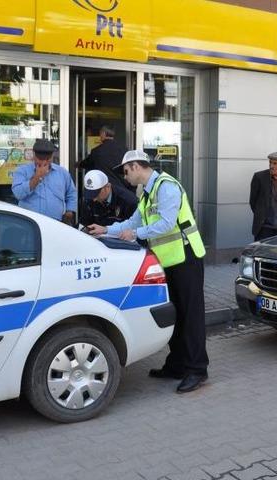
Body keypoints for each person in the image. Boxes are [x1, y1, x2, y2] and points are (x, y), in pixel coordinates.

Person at [87, 150, 208, 394]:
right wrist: (105, 230)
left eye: (125, 171)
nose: (125, 177)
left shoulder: (166, 186)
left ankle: (197, 369)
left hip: (187, 259)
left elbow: (165, 223)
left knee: (191, 316)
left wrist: (136, 235)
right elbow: (133, 222)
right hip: (169, 261)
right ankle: (176, 365)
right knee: (176, 315)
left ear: (134, 166)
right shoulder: (146, 192)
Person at [12, 139, 77, 226]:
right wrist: (37, 177)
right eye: (40, 159)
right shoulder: (22, 171)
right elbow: (18, 193)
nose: (44, 162)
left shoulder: (62, 172)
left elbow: (71, 194)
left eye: (47, 159)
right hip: (29, 223)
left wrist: (69, 212)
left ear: (52, 156)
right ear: (34, 155)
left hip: (56, 223)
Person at [78, 125, 130, 190]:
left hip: (104, 189)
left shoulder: (96, 151)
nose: (99, 136)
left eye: (100, 133)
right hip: (122, 188)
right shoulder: (124, 149)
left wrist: (79, 164)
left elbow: (88, 164)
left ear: (104, 133)